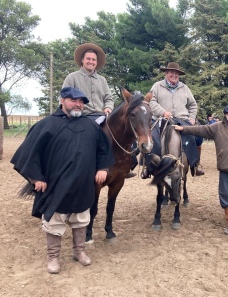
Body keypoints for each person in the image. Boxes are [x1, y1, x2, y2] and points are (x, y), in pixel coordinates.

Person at [11, 87, 115, 274]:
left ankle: (79, 251)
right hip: (55, 184)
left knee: (81, 219)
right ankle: (53, 257)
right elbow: (29, 152)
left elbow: (104, 149)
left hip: (83, 184)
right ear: (62, 101)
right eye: (73, 100)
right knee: (54, 220)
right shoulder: (47, 124)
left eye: (81, 102)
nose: (78, 104)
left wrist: (102, 167)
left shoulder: (90, 125)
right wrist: (36, 177)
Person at [173, 103, 228, 239]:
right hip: (225, 168)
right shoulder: (217, 127)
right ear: (226, 114)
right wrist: (183, 128)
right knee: (226, 196)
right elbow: (200, 130)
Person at [62, 43, 137, 178]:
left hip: (102, 115)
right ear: (82, 60)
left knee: (126, 131)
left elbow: (109, 98)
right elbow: (65, 97)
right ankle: (84, 166)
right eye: (88, 59)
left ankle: (125, 164)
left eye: (93, 60)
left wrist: (108, 107)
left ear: (96, 62)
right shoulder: (72, 77)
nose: (91, 62)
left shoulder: (102, 80)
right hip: (81, 115)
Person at [148, 62, 204, 176]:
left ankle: (195, 164)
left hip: (182, 119)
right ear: (166, 73)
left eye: (176, 73)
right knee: (151, 138)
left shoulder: (185, 88)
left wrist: (192, 118)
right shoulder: (157, 86)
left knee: (197, 136)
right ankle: (148, 166)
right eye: (171, 72)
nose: (174, 75)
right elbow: (151, 101)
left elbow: (193, 104)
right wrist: (163, 112)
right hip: (161, 119)